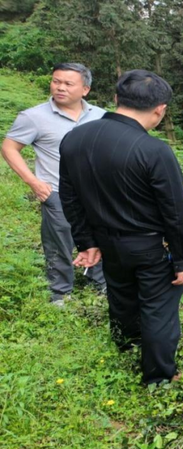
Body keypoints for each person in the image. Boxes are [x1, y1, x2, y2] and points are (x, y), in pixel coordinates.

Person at [59, 70, 183, 385]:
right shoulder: (154, 150)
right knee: (158, 308)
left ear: (117, 99)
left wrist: (86, 241)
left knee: (121, 296)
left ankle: (126, 344)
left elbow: (70, 195)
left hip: (107, 242)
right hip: (149, 245)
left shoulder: (75, 138)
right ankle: (158, 377)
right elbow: (175, 213)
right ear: (160, 110)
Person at [1, 63, 106, 306]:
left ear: (85, 89)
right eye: (56, 81)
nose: (59, 87)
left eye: (68, 84)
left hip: (96, 194)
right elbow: (9, 148)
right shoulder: (34, 117)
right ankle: (60, 293)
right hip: (57, 191)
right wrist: (34, 182)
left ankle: (99, 284)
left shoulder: (101, 116)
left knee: (100, 236)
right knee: (60, 242)